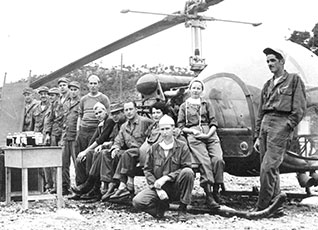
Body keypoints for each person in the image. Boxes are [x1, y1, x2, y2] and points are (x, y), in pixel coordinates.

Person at [253, 47, 306, 211]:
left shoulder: (294, 80)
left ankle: (262, 205)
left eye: (273, 60)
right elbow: (261, 110)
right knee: (269, 167)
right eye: (268, 61)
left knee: (268, 166)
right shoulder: (267, 84)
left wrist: (287, 125)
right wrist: (257, 135)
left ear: (282, 61)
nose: (270, 64)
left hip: (281, 123)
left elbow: (300, 108)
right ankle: (276, 206)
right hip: (265, 124)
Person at [132, 115, 194, 220]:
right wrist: (157, 189)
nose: (165, 132)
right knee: (137, 201)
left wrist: (167, 177)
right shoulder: (154, 148)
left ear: (173, 129)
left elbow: (186, 166)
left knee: (188, 172)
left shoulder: (182, 146)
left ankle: (183, 208)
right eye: (162, 129)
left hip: (176, 186)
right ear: (159, 131)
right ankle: (159, 208)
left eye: (167, 129)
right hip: (160, 187)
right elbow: (147, 170)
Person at [177, 79, 224, 209]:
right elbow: (180, 126)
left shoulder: (206, 104)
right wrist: (191, 131)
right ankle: (208, 195)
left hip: (210, 133)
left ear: (202, 90)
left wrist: (209, 134)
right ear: (189, 89)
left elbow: (214, 122)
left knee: (218, 160)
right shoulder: (184, 106)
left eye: (198, 88)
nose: (196, 91)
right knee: (205, 162)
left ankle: (216, 190)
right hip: (194, 135)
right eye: (194, 88)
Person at [108, 101, 153, 199]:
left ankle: (124, 185)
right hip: (130, 155)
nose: (129, 112)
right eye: (126, 110)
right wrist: (115, 147)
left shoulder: (145, 122)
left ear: (136, 110)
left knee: (127, 153)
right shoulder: (124, 126)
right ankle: (115, 185)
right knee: (118, 154)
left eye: (131, 109)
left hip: (142, 152)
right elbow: (118, 140)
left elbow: (155, 133)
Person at [70, 102, 115, 200]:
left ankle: (93, 189)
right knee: (80, 158)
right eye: (96, 113)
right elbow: (93, 140)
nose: (98, 115)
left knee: (91, 154)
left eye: (100, 112)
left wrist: (87, 151)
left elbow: (101, 139)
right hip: (101, 148)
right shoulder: (100, 124)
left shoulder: (109, 121)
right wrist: (84, 152)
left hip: (109, 148)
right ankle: (81, 188)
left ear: (105, 111)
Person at [76, 74, 111, 153]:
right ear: (88, 85)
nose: (93, 86)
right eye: (91, 83)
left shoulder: (103, 98)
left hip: (95, 130)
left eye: (95, 83)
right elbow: (80, 115)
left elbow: (107, 114)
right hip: (84, 130)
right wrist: (78, 129)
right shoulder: (83, 99)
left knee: (90, 152)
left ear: (99, 85)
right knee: (81, 152)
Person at [100, 104, 126, 200]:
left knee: (116, 155)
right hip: (118, 148)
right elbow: (115, 139)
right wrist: (109, 144)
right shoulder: (116, 126)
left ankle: (113, 184)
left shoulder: (126, 124)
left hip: (127, 150)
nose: (115, 116)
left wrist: (115, 146)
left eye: (117, 113)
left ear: (123, 113)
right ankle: (106, 184)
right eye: (113, 114)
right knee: (105, 153)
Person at [42, 87, 65, 193]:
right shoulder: (51, 106)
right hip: (51, 135)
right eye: (49, 95)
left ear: (58, 96)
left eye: (52, 95)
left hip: (57, 135)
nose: (50, 97)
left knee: (56, 162)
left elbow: (59, 122)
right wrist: (47, 133)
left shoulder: (61, 107)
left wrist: (58, 137)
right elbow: (48, 122)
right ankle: (50, 185)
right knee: (47, 161)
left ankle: (57, 185)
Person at [61, 81, 81, 195]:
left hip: (75, 137)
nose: (73, 92)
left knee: (77, 163)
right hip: (65, 136)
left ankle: (78, 188)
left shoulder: (80, 103)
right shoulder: (66, 103)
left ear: (79, 90)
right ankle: (65, 187)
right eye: (71, 90)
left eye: (75, 90)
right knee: (64, 163)